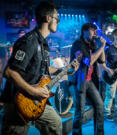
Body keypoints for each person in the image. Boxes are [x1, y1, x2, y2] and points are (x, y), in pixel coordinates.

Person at [0, 2, 79, 135]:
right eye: (57, 18)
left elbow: (45, 69)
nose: (58, 22)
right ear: (48, 18)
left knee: (54, 124)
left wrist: (64, 69)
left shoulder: (44, 44)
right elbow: (9, 72)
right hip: (19, 101)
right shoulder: (29, 41)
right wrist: (34, 91)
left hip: (36, 100)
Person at [69, 22, 106, 135]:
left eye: (96, 30)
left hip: (89, 81)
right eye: (92, 30)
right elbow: (88, 61)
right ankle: (76, 133)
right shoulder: (78, 44)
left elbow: (102, 60)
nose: (95, 33)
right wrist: (101, 47)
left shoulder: (92, 44)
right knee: (80, 111)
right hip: (79, 81)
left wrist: (101, 47)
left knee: (99, 105)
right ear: (84, 31)